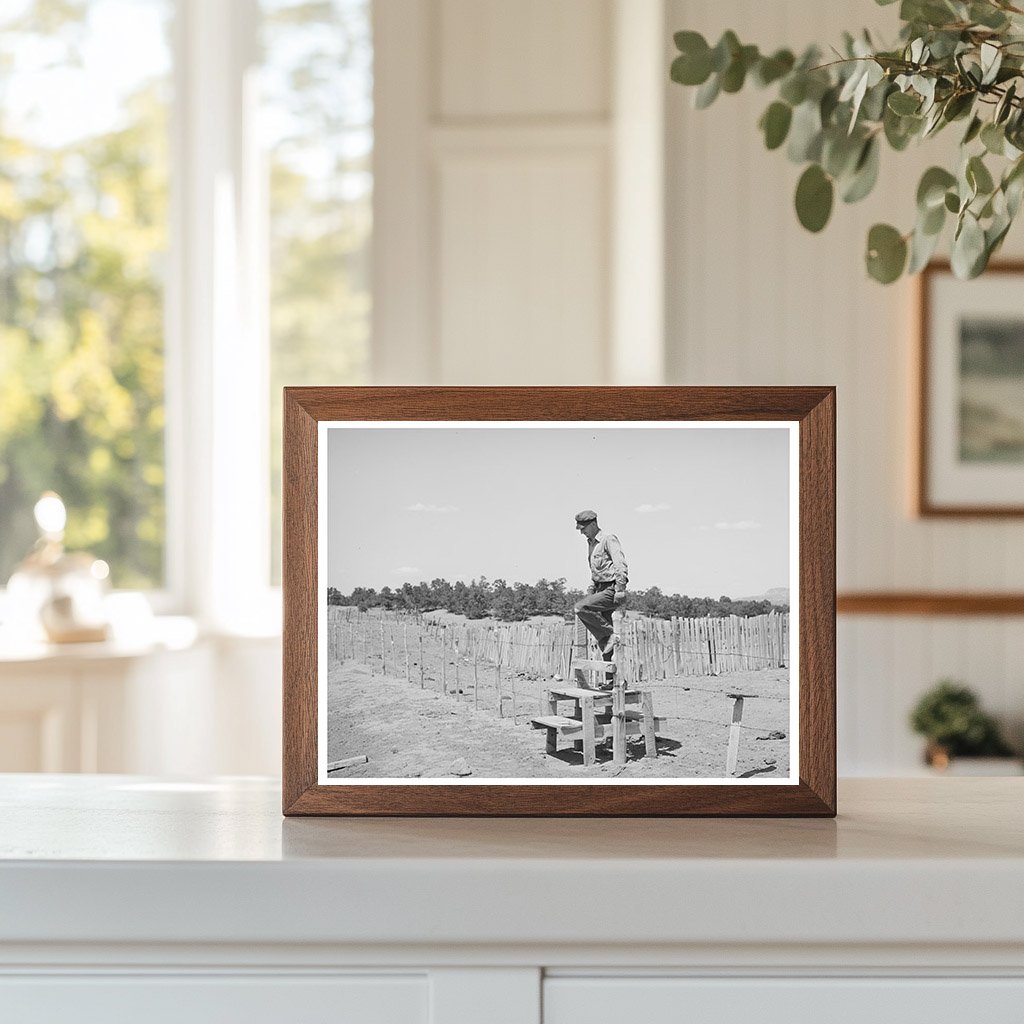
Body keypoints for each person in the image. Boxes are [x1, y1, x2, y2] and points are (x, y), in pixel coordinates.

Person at [572, 509, 628, 663]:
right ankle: (611, 681)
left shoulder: (608, 539)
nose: (582, 532)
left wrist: (620, 589)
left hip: (612, 589)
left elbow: (619, 563)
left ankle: (611, 635)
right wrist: (591, 590)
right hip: (599, 589)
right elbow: (596, 571)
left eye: (584, 528)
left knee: (580, 608)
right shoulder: (591, 544)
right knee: (604, 643)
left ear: (594, 524)